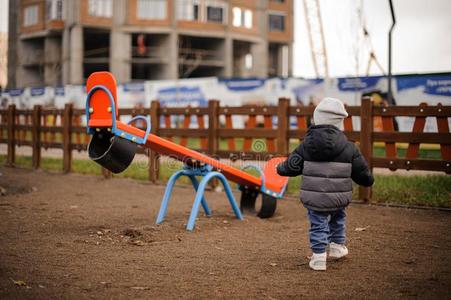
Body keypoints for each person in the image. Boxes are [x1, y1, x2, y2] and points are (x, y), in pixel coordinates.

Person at [276, 97, 374, 271]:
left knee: (318, 222)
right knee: (338, 217)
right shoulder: (349, 147)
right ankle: (337, 247)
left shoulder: (306, 145)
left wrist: (280, 168)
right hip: (339, 196)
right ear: (340, 123)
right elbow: (362, 173)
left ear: (317, 119)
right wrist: (368, 180)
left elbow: (291, 167)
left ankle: (319, 257)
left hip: (315, 197)